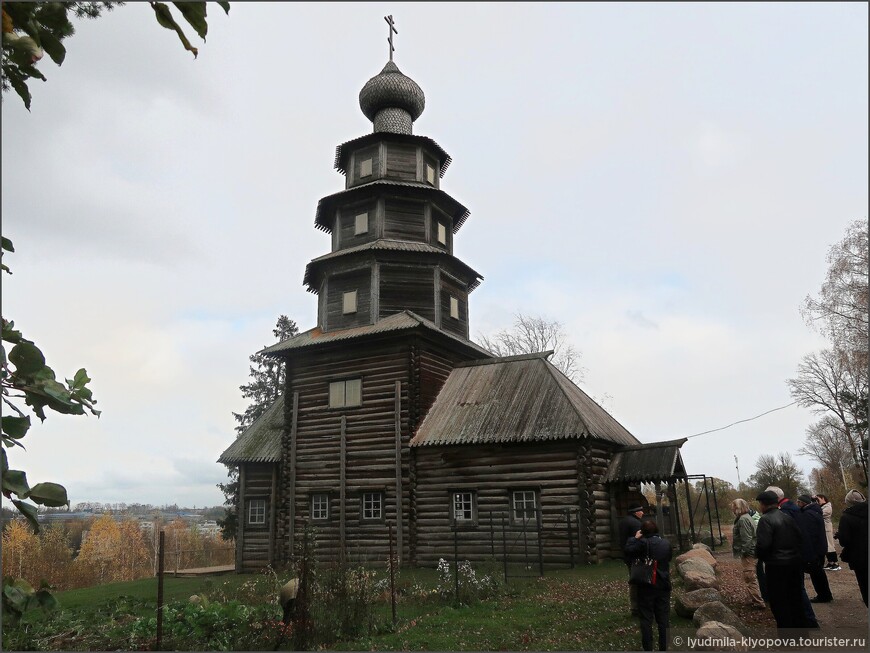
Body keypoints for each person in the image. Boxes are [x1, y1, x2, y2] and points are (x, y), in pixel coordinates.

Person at [766, 486, 820, 627]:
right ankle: (806, 620)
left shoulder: (785, 512)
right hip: (798, 554)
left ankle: (807, 620)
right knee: (796, 588)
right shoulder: (793, 508)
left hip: (793, 556)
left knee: (796, 589)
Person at [756, 490, 806, 630]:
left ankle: (787, 636)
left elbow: (763, 544)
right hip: (794, 563)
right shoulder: (787, 517)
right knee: (795, 598)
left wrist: (762, 557)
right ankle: (801, 632)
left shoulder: (765, 520)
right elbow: (799, 537)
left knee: (779, 601)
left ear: (763, 504)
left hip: (776, 565)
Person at [625, 519, 672, 651]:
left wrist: (634, 538)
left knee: (646, 618)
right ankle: (664, 647)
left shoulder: (641, 544)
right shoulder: (666, 543)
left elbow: (628, 550)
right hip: (663, 584)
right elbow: (668, 558)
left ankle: (648, 648)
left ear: (643, 532)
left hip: (645, 585)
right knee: (663, 619)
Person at [796, 494, 833, 603]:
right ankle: (825, 594)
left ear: (803, 502)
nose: (797, 504)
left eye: (798, 502)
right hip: (820, 548)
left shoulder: (808, 515)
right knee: (819, 573)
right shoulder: (815, 512)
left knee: (816, 574)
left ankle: (823, 595)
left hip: (814, 550)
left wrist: (808, 551)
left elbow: (810, 534)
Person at [730, 498, 765, 608]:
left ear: (738, 508)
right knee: (750, 576)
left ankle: (758, 602)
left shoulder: (743, 520)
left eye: (734, 507)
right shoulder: (746, 517)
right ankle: (754, 598)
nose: (732, 509)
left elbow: (747, 539)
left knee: (749, 577)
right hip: (751, 551)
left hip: (749, 553)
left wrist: (744, 552)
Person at [835, 489, 868, 606]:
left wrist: (840, 535)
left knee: (865, 587)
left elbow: (845, 541)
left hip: (860, 558)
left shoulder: (846, 517)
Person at [619, 504, 645, 616]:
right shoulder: (636, 524)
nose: (643, 513)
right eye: (641, 511)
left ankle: (635, 607)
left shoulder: (624, 521)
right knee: (639, 582)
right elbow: (639, 541)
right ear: (636, 512)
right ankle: (638, 608)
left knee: (634, 580)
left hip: (627, 555)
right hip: (636, 557)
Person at [814, 494, 840, 570]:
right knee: (827, 546)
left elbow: (819, 514)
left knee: (830, 546)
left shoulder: (828, 507)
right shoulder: (822, 507)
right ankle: (831, 562)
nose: (817, 502)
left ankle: (835, 563)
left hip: (827, 528)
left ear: (823, 498)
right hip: (823, 528)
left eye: (818, 500)